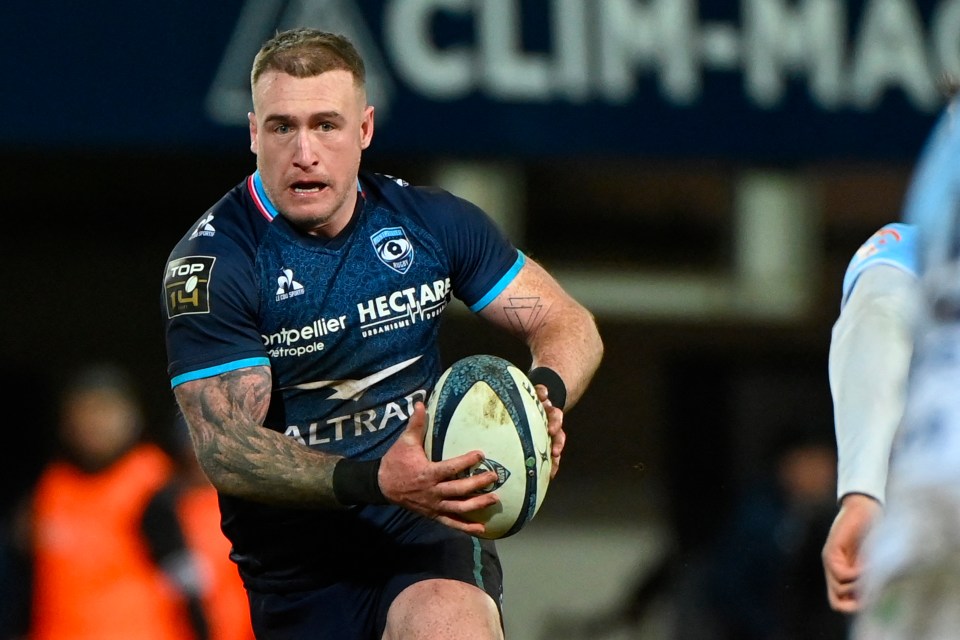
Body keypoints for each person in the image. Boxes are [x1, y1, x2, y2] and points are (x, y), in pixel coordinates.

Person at [160, 27, 603, 640]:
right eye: (283, 127)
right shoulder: (216, 266)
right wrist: (374, 481)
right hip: (298, 564)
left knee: (450, 626)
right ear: (254, 134)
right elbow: (226, 450)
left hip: (424, 528)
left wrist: (542, 396)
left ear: (364, 130)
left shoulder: (432, 223)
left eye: (326, 125)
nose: (305, 152)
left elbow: (566, 322)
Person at [26, 363, 219, 640]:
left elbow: (190, 582)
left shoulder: (152, 484)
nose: (93, 423)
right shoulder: (52, 485)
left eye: (105, 410)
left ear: (131, 417)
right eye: (83, 410)